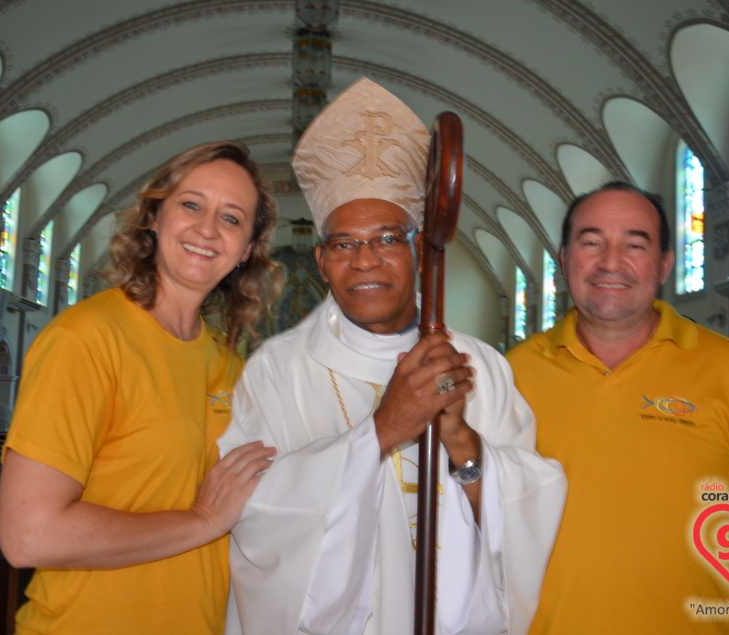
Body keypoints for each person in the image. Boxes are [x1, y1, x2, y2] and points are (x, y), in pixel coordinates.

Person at [219, 77, 567, 635]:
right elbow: (251, 515)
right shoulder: (276, 371)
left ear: (418, 247)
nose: (365, 261)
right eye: (344, 244)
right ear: (321, 258)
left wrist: (463, 445)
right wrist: (380, 432)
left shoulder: (483, 367)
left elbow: (531, 515)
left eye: (386, 238)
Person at [505, 181, 729, 634]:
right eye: (592, 242)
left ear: (663, 265)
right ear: (564, 259)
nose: (610, 262)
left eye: (634, 244)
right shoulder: (512, 375)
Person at [0, 141, 281, 634]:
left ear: (247, 250)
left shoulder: (231, 365)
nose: (208, 229)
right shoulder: (85, 338)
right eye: (191, 204)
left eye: (232, 218)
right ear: (154, 216)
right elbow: (29, 535)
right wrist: (202, 521)